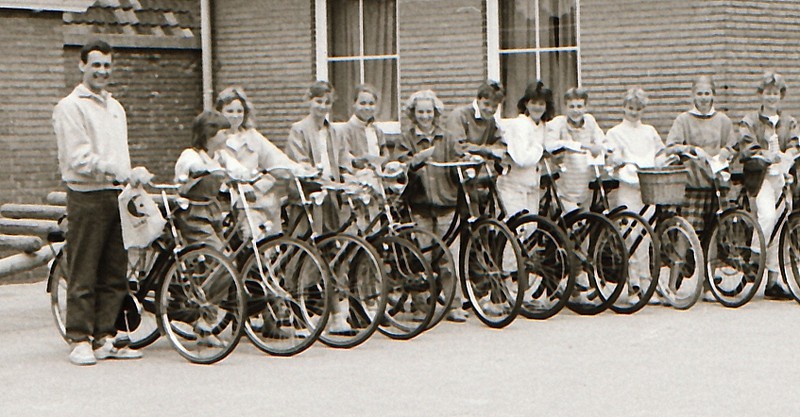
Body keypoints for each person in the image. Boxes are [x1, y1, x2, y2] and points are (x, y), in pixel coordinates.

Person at [53, 40, 150, 365]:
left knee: (114, 269)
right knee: (85, 268)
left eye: (107, 65)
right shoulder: (70, 107)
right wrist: (116, 169)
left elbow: (120, 154)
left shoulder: (115, 107)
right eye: (96, 65)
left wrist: (129, 175)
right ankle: (80, 338)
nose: (102, 71)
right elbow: (78, 158)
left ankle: (105, 336)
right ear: (82, 66)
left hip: (116, 194)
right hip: (86, 195)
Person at [285, 80, 355, 334]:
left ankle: (336, 315)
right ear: (309, 101)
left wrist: (348, 178)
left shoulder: (335, 131)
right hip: (308, 199)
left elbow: (343, 160)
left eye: (326, 102)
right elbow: (298, 162)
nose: (322, 107)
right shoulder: (298, 130)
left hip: (330, 199)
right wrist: (315, 175)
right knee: (303, 252)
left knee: (331, 253)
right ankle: (298, 316)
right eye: (318, 101)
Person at [395, 89, 468, 322]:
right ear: (413, 114)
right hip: (420, 205)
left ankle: (454, 305)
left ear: (435, 113)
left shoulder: (447, 137)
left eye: (429, 112)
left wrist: (465, 161)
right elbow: (399, 166)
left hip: (446, 203)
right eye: (420, 112)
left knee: (448, 257)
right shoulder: (406, 139)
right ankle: (421, 306)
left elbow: (459, 160)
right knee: (422, 257)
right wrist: (413, 163)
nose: (425, 116)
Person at [737, 72, 800, 300]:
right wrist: (766, 155)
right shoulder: (751, 120)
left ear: (781, 95)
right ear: (761, 94)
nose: (772, 97)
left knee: (781, 226)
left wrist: (788, 154)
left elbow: (795, 143)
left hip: (781, 178)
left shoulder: (788, 121)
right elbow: (747, 146)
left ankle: (773, 281)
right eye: (768, 93)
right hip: (760, 177)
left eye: (775, 93)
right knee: (767, 216)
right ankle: (755, 257)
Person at [215, 86, 308, 241]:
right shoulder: (216, 138)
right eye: (229, 111)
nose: (235, 116)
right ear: (220, 112)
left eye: (239, 111)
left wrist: (300, 170)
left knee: (271, 238)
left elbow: (275, 157)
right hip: (233, 199)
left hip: (260, 197)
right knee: (249, 238)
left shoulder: (252, 136)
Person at [606, 87, 665, 304]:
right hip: (628, 188)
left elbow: (660, 153)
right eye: (631, 108)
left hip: (647, 187)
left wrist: (660, 163)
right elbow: (612, 159)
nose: (634, 112)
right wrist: (619, 160)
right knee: (630, 235)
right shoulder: (614, 133)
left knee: (646, 236)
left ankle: (647, 283)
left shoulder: (649, 131)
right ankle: (633, 286)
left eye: (638, 109)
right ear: (624, 107)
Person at [666, 75, 736, 236]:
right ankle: (685, 253)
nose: (703, 98)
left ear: (713, 95)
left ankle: (715, 252)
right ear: (693, 95)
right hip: (694, 183)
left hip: (717, 183)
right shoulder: (683, 120)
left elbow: (733, 146)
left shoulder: (723, 120)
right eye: (699, 94)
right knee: (690, 231)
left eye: (707, 93)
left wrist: (727, 151)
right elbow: (670, 148)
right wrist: (692, 149)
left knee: (721, 228)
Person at [545, 87, 610, 212]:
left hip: (585, 184)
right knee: (570, 217)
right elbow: (550, 145)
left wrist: (600, 147)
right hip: (565, 186)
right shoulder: (558, 123)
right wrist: (582, 146)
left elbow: (601, 141)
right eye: (572, 106)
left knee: (586, 217)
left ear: (585, 107)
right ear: (565, 107)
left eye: (579, 106)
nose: (576, 110)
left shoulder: (589, 121)